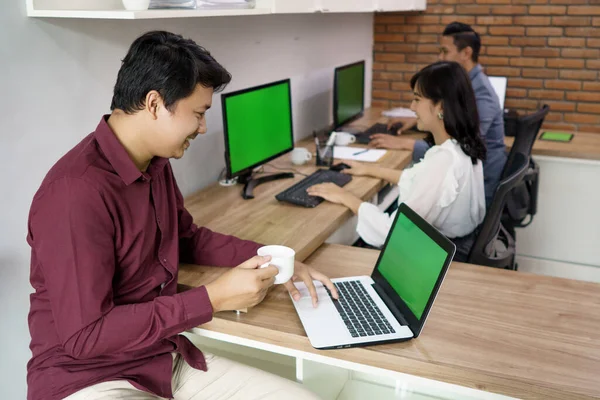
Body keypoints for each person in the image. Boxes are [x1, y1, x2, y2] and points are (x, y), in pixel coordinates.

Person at [26, 31, 336, 400]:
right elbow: (85, 336)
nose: (203, 128)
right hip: (89, 379)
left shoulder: (154, 162)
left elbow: (186, 237)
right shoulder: (75, 193)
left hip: (160, 358)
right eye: (199, 114)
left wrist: (274, 257)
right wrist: (213, 298)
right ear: (155, 104)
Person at [308, 61, 486, 261]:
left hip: (441, 256)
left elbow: (391, 232)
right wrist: (369, 170)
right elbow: (420, 180)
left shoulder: (443, 160)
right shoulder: (461, 144)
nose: (412, 107)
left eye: (417, 100)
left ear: (441, 107)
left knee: (331, 257)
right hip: (459, 244)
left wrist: (346, 197)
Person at [371, 22, 507, 207]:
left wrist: (406, 143)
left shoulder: (482, 96)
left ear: (466, 53)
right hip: (466, 188)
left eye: (445, 51)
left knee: (390, 206)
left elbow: (462, 145)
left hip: (481, 188)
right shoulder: (468, 85)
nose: (439, 57)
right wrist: (418, 119)